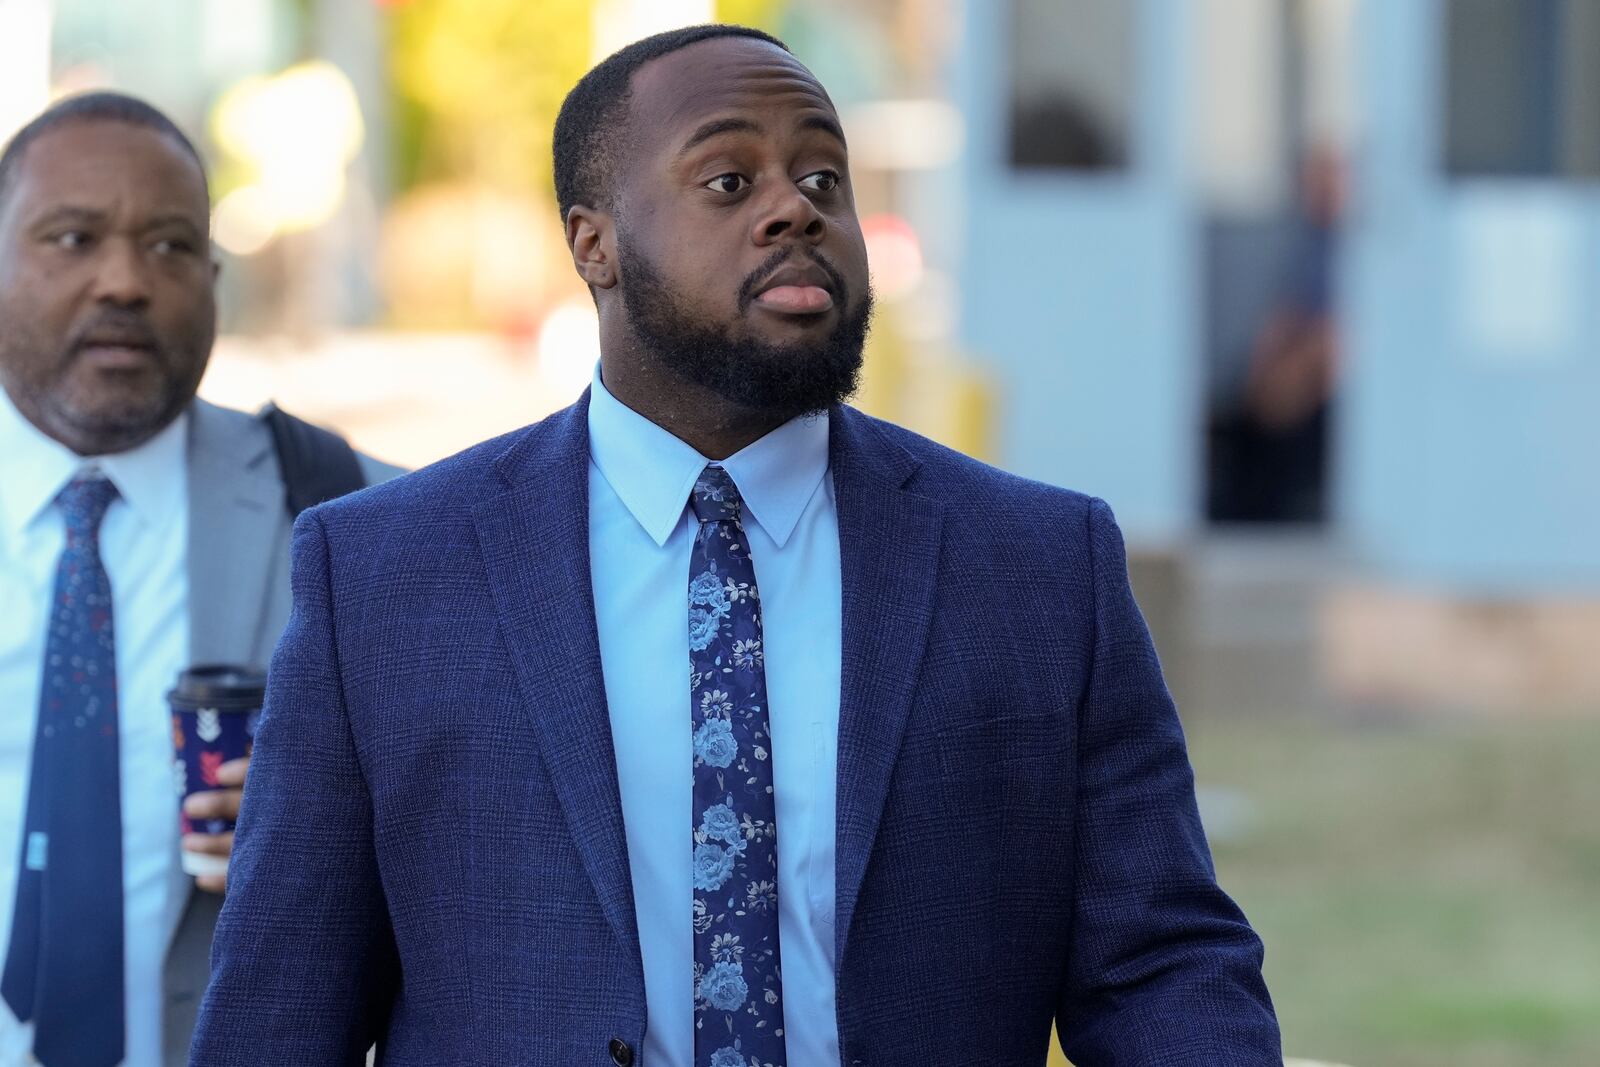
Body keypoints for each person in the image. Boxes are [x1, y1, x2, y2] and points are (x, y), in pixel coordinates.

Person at [193, 25, 1280, 1067]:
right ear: (593, 241)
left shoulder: (1041, 564)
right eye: (729, 182)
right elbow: (285, 1005)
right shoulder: (382, 574)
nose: (793, 212)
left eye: (823, 180)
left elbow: (1159, 968)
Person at [0, 93, 399, 1067]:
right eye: (73, 237)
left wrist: (333, 819)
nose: (126, 281)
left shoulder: (359, 520)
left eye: (172, 246)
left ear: (216, 281)